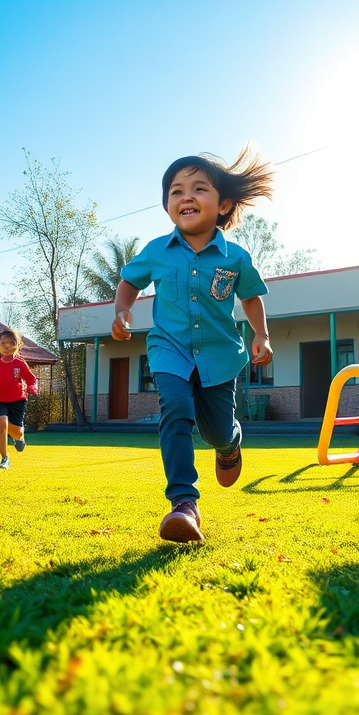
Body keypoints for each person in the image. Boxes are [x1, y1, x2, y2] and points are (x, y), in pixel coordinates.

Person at [111, 149, 274, 544]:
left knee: (216, 432)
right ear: (167, 205)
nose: (186, 196)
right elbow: (129, 282)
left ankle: (229, 444)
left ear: (224, 204)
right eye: (176, 191)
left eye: (199, 188)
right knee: (176, 409)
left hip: (219, 355)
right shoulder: (156, 251)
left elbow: (251, 297)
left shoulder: (236, 257)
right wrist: (121, 311)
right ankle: (184, 503)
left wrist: (261, 335)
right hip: (169, 349)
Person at [0, 329, 39, 469]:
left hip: (18, 401)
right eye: (3, 343)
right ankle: (4, 458)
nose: (7, 346)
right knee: (1, 423)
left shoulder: (20, 364)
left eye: (12, 343)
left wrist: (32, 387)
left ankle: (19, 437)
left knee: (17, 432)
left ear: (18, 346)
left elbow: (31, 379)